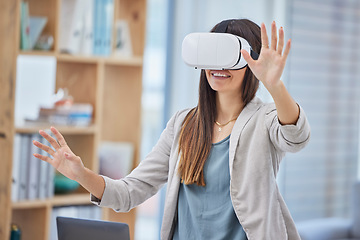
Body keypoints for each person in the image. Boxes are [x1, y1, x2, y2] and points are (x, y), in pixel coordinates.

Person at [33, 19, 310, 240]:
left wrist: (275, 86)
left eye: (231, 57)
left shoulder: (265, 120)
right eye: (213, 57)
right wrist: (81, 174)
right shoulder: (183, 124)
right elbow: (130, 192)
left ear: (252, 64)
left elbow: (296, 136)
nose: (220, 67)